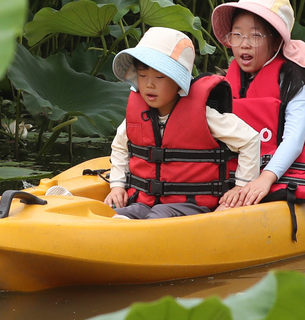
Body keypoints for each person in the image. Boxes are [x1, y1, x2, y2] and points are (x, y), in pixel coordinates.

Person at [104, 27, 260, 219]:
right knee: (123, 213)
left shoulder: (205, 115)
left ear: (179, 81)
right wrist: (117, 186)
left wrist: (241, 187)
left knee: (158, 215)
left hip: (190, 204)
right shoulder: (136, 115)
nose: (149, 85)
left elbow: (250, 139)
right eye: (142, 76)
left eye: (159, 77)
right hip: (145, 200)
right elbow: (120, 147)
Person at [209, 0, 305, 223]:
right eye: (237, 35)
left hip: (278, 172)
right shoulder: (226, 82)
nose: (244, 44)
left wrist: (265, 179)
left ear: (275, 41)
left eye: (255, 36)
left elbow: (294, 140)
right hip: (237, 173)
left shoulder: (292, 82)